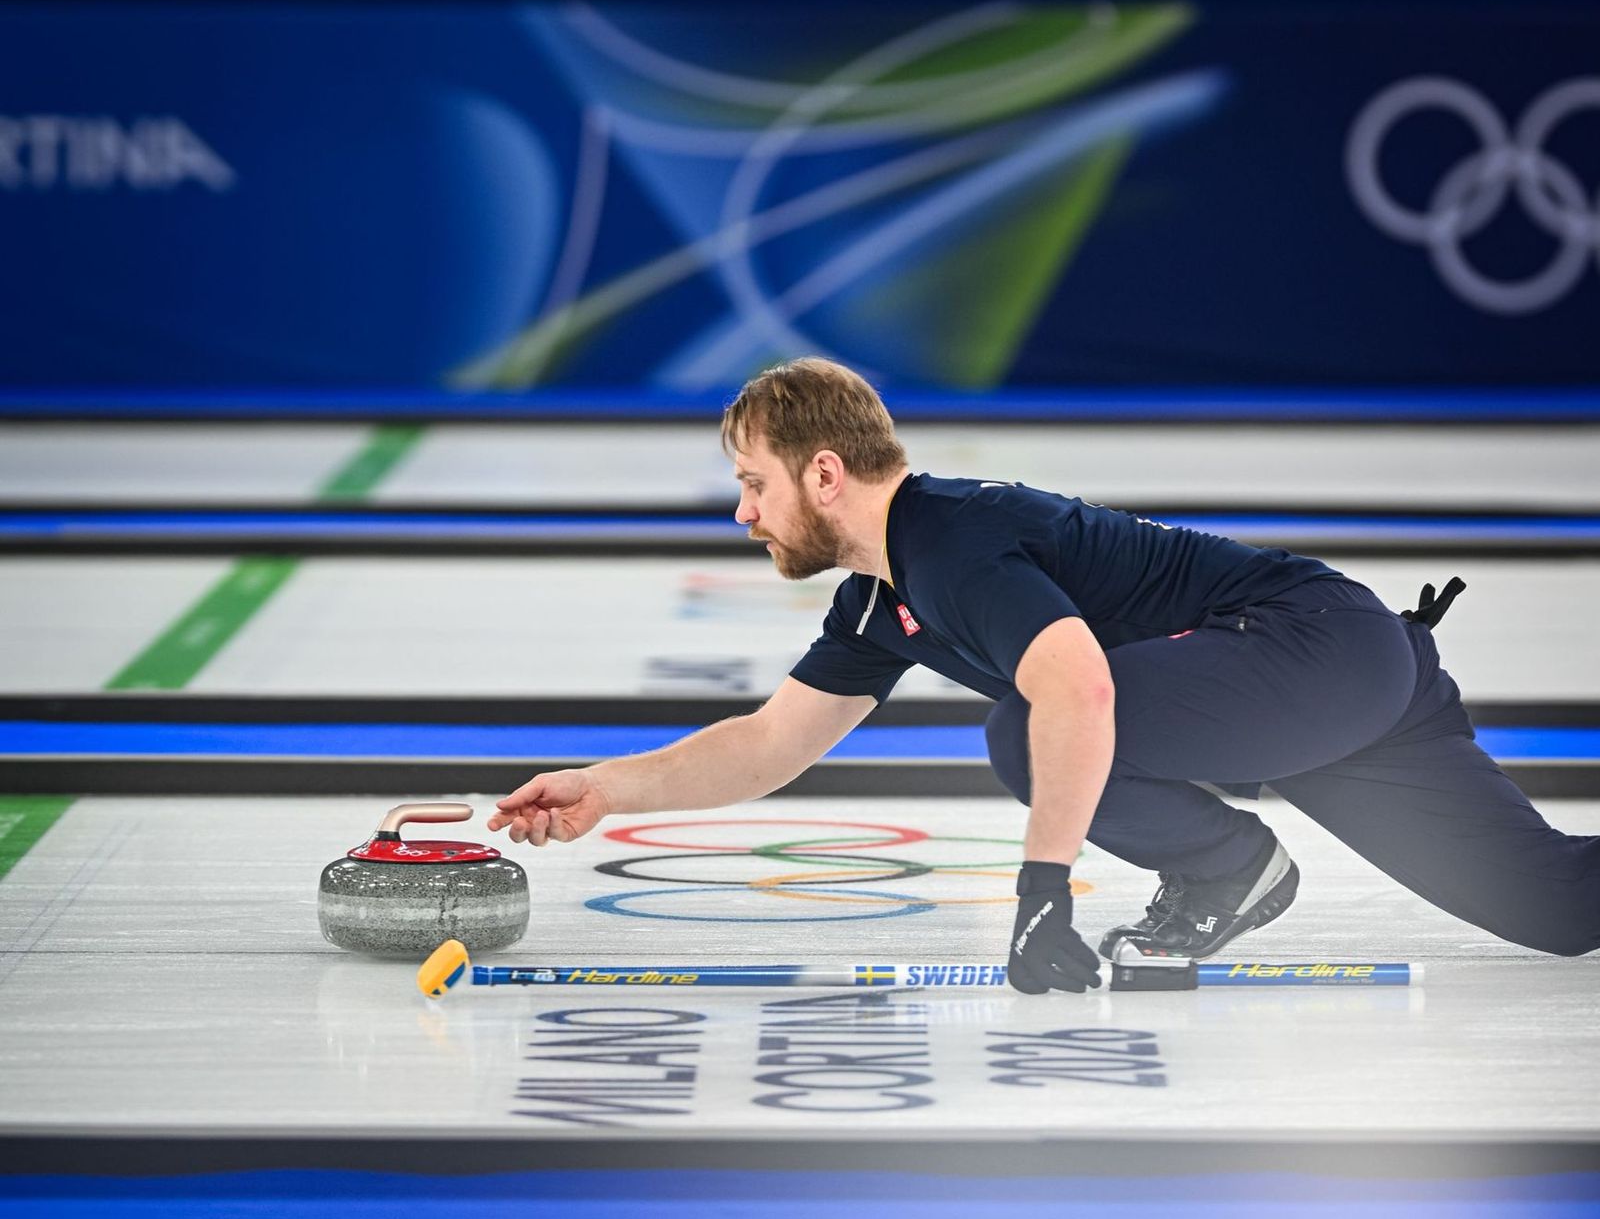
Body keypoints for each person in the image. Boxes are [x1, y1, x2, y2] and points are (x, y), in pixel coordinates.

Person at [489, 357, 1600, 993]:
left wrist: (1037, 900)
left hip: (1311, 647)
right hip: (1345, 680)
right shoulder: (880, 596)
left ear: (823, 472)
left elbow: (1079, 691)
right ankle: (1234, 865)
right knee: (1556, 906)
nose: (742, 513)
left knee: (1030, 729)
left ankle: (1230, 871)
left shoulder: (955, 538)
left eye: (751, 483)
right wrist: (604, 787)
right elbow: (771, 742)